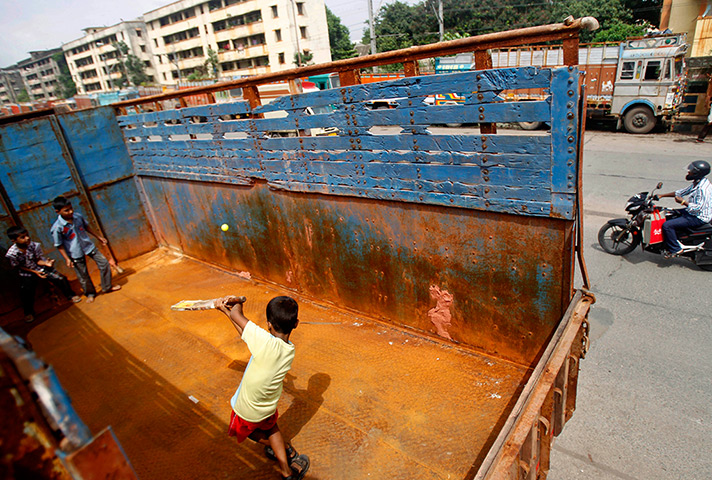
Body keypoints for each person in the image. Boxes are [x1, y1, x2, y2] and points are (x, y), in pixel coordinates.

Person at [215, 295, 310, 480]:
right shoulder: (288, 350)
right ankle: (287, 470)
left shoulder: (265, 343)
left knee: (250, 433)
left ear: (268, 324)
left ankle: (280, 448)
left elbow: (238, 316)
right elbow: (245, 333)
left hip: (247, 409)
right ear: (296, 324)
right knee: (272, 428)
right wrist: (226, 312)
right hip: (267, 406)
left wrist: (238, 303)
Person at [50, 196, 120, 303]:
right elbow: (59, 245)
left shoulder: (78, 217)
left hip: (88, 246)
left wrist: (99, 237)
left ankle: (107, 286)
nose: (71, 211)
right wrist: (67, 259)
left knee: (104, 263)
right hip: (74, 252)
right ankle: (90, 293)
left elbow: (87, 227)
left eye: (71, 208)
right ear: (57, 212)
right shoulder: (57, 228)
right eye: (66, 210)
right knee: (83, 275)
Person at [5, 226, 82, 323]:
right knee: (26, 292)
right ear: (14, 240)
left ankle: (70, 295)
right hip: (27, 273)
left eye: (27, 235)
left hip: (38, 268)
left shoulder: (33, 245)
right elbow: (17, 267)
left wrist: (46, 263)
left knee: (61, 278)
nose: (27, 238)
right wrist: (35, 273)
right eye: (23, 237)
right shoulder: (12, 254)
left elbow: (38, 260)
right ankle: (29, 312)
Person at [656, 160, 712, 257]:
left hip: (698, 217)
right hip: (693, 213)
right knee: (669, 213)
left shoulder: (703, 189)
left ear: (697, 173)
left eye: (691, 171)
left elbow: (698, 208)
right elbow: (682, 192)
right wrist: (662, 195)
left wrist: (683, 202)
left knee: (667, 225)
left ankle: (675, 249)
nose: (688, 173)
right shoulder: (698, 182)